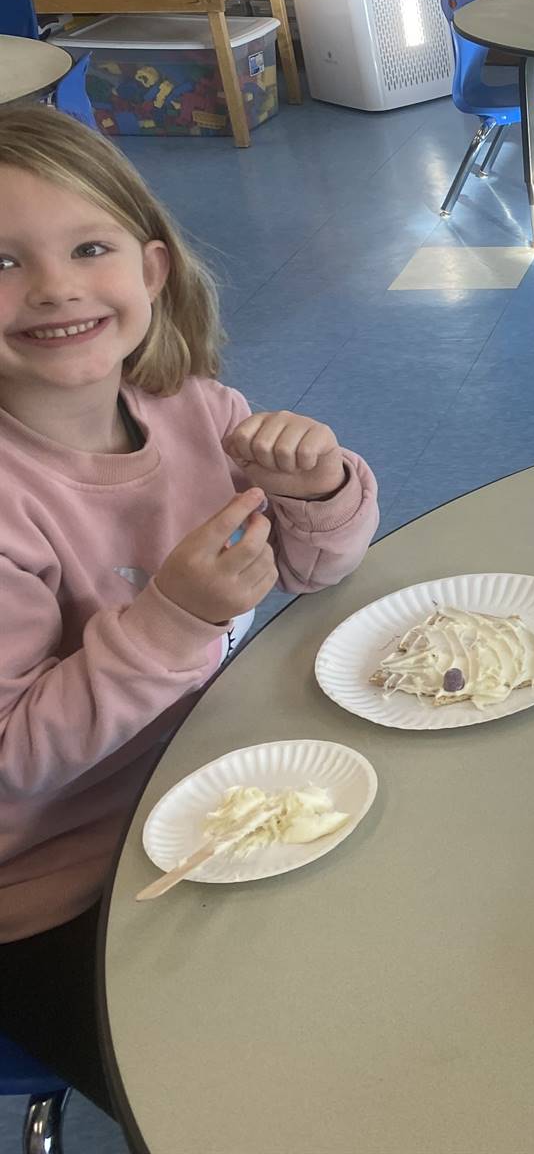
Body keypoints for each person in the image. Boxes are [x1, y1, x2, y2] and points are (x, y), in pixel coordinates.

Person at [0, 107, 379, 1111]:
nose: (54, 288)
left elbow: (314, 570)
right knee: (240, 1102)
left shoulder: (196, 411)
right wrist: (171, 615)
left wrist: (315, 490)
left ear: (152, 271)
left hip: (219, 782)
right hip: (56, 885)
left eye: (90, 248)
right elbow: (12, 757)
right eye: (0, 262)